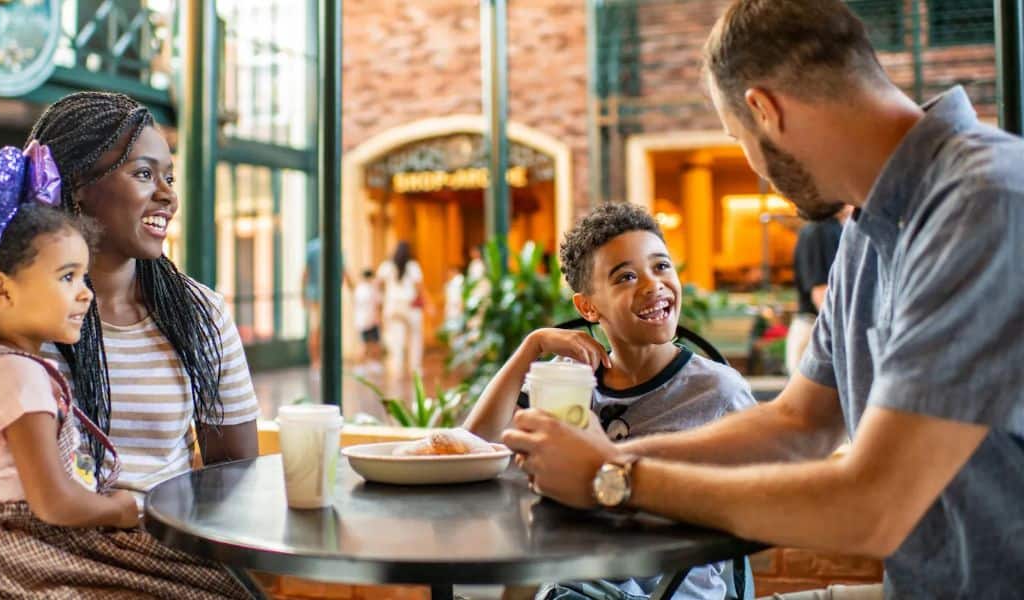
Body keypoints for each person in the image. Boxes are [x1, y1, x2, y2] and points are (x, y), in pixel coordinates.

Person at [504, 2, 1024, 598]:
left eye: (737, 138)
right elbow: (796, 423)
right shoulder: (869, 229)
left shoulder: (986, 202)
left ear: (764, 110)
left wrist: (615, 475)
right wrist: (589, 458)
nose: (753, 165)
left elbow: (873, 505)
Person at [0, 147, 247, 598]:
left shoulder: (5, 367)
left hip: (27, 538)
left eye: (82, 276)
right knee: (207, 587)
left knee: (209, 581)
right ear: (2, 289)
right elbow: (53, 501)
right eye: (68, 278)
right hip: (19, 548)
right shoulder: (17, 379)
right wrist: (117, 510)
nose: (85, 294)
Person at [464, 203, 755, 600]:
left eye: (662, 266)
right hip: (570, 584)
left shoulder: (717, 391)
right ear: (587, 307)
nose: (653, 285)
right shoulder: (566, 381)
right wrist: (531, 346)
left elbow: (759, 502)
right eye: (627, 277)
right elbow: (473, 449)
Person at [26, 92, 260, 491]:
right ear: (78, 184)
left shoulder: (200, 313)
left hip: (162, 541)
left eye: (169, 177)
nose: (168, 196)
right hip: (48, 542)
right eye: (144, 174)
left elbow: (234, 475)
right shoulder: (17, 311)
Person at [785, 206, 850, 375]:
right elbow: (821, 293)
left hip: (819, 329)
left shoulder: (832, 228)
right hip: (816, 330)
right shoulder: (821, 231)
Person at [302, 236, 355, 372]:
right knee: (330, 330)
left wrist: (303, 295)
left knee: (315, 330)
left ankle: (315, 362)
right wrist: (353, 289)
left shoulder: (311, 247)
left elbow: (305, 273)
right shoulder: (336, 247)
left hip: (314, 295)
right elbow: (344, 272)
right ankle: (328, 361)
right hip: (330, 297)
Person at [377, 241, 428, 379]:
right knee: (415, 338)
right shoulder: (413, 266)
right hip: (409, 306)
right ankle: (415, 368)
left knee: (396, 339)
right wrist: (427, 304)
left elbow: (378, 284)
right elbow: (420, 287)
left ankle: (396, 368)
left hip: (393, 306)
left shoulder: (387, 266)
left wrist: (384, 297)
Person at [353, 268, 382, 374]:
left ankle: (368, 364)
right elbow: (377, 306)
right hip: (370, 321)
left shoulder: (359, 289)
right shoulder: (371, 289)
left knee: (368, 344)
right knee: (371, 344)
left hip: (362, 322)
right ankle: (364, 364)